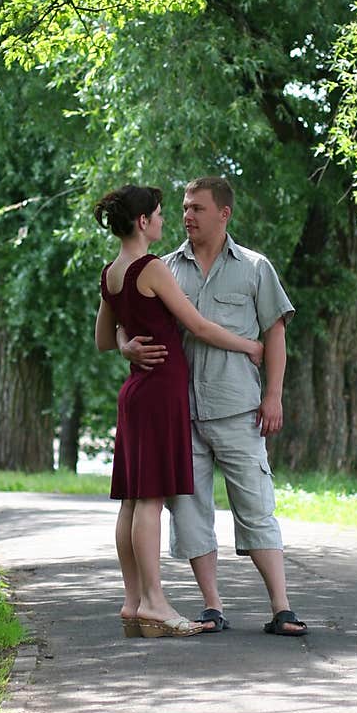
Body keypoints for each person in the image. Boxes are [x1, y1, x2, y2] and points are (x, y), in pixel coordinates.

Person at [117, 177, 308, 638]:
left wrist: (274, 395)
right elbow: (123, 319)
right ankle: (212, 606)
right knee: (190, 512)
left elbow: (274, 334)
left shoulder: (255, 268)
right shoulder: (161, 267)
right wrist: (127, 350)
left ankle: (281, 608)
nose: (187, 216)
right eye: (183, 208)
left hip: (238, 406)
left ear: (224, 214)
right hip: (178, 414)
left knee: (255, 505)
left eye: (198, 209)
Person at [94, 183, 264, 639]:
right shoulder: (152, 268)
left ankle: (133, 603)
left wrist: (128, 344)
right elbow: (200, 325)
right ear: (143, 222)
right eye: (161, 214)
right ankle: (154, 601)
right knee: (150, 499)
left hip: (134, 390)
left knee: (133, 500)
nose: (167, 221)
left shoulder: (111, 272)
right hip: (159, 391)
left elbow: (104, 340)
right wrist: (249, 344)